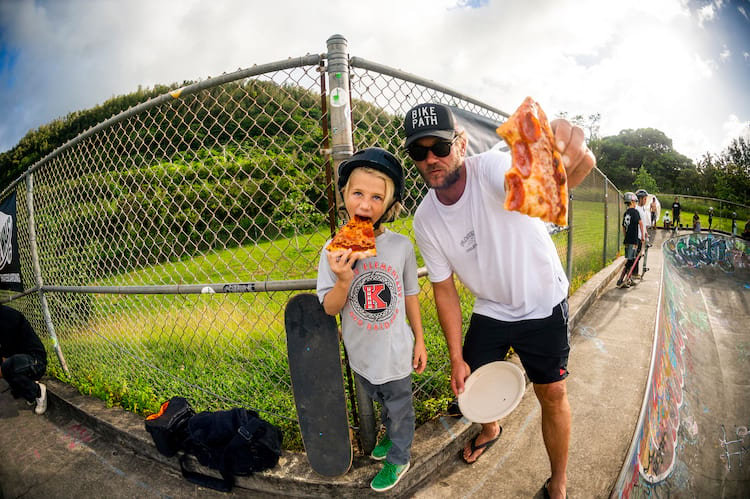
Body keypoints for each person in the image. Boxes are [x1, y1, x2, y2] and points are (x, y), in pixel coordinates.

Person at [405, 102, 595, 499]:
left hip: (541, 302)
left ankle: (558, 483)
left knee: (552, 394)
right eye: (418, 152)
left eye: (439, 147)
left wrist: (553, 156)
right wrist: (456, 356)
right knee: (471, 386)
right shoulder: (425, 219)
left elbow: (524, 179)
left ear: (461, 143)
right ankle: (491, 428)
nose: (430, 159)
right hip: (491, 307)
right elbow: (444, 289)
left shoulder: (489, 168)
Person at [316, 147, 427, 493]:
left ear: (391, 205)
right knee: (380, 399)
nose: (365, 205)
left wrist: (420, 339)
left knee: (400, 407)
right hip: (360, 353)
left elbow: (409, 293)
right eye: (358, 194)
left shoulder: (401, 247)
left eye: (377, 197)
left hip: (396, 351)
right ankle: (391, 435)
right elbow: (330, 308)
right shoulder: (333, 249)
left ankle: (399, 455)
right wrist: (344, 279)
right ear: (344, 196)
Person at [0, 304, 48, 415]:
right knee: (8, 367)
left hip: (35, 361)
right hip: (19, 360)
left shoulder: (7, 317)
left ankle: (38, 391)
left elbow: (6, 356)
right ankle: (26, 390)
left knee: (7, 366)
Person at [618, 192, 644, 288]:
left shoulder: (626, 213)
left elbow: (623, 227)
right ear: (632, 201)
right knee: (631, 261)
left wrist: (625, 237)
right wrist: (643, 237)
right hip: (633, 240)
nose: (636, 203)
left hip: (627, 240)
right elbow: (640, 224)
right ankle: (621, 280)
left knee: (631, 259)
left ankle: (628, 279)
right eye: (635, 202)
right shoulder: (635, 212)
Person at [634, 189, 650, 275]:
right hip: (637, 235)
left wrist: (646, 232)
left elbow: (643, 223)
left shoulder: (642, 209)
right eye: (644, 199)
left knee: (639, 254)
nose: (645, 201)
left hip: (641, 235)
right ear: (639, 199)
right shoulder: (636, 209)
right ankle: (634, 273)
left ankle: (634, 272)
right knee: (637, 255)